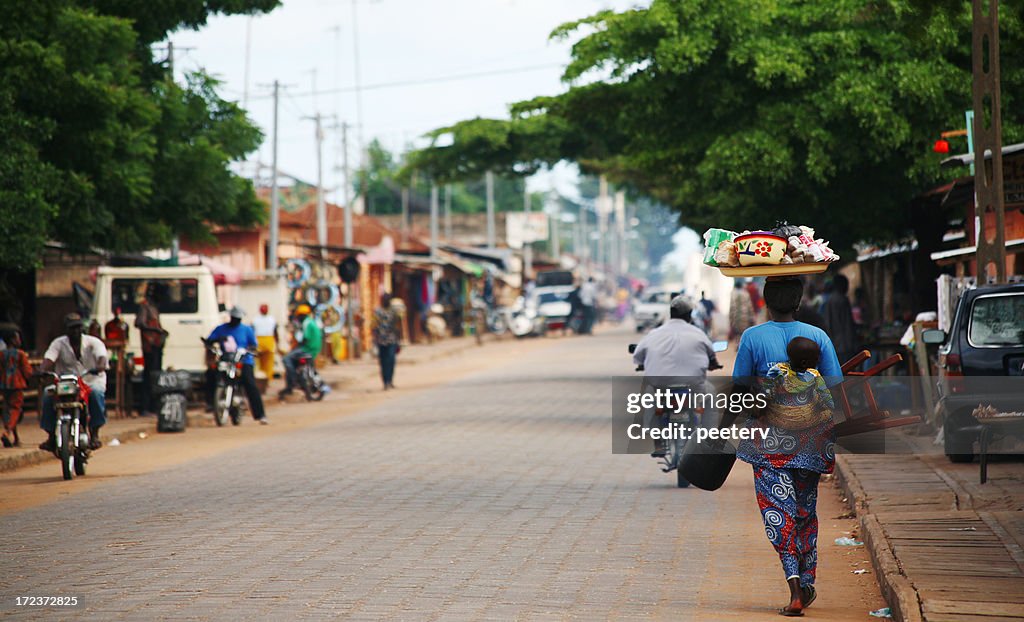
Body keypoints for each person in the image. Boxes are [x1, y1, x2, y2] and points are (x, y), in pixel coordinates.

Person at [732, 278, 843, 617]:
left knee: (778, 514)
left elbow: (739, 388)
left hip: (769, 446)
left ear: (765, 302)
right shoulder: (818, 337)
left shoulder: (753, 337)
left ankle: (795, 587)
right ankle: (807, 581)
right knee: (805, 513)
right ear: (799, 302)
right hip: (809, 444)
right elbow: (836, 387)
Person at [632, 295, 720, 457]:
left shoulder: (654, 334)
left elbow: (637, 356)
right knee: (711, 396)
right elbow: (712, 356)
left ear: (671, 313)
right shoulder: (698, 334)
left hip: (661, 386)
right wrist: (713, 363)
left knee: (649, 399)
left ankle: (658, 443)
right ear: (689, 315)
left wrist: (643, 363)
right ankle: (709, 440)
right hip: (693, 386)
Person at [39, 313, 109, 451]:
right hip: (66, 383)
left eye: (78, 327)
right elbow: (48, 360)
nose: (76, 331)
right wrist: (42, 370)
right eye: (72, 328)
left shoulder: (93, 342)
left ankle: (94, 434)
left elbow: (102, 357)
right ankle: (51, 436)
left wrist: (100, 366)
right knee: (48, 395)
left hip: (90, 381)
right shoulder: (58, 343)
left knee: (95, 394)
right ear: (66, 330)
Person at [207, 307, 268, 424]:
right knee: (211, 376)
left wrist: (248, 350)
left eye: (237, 319)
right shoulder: (221, 329)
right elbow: (210, 340)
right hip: (226, 360)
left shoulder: (246, 330)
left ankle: (260, 415)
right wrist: (214, 342)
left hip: (243, 361)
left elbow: (254, 345)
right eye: (234, 318)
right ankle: (211, 404)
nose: (235, 320)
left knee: (250, 385)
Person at [134, 284, 167, 417]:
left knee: (155, 377)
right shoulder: (145, 307)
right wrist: (155, 330)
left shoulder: (154, 308)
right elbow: (139, 323)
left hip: (156, 346)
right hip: (149, 347)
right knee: (148, 377)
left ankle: (153, 407)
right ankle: (145, 408)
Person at [279, 304, 322, 398]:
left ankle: (293, 380)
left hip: (307, 349)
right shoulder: (312, 322)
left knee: (286, 359)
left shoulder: (306, 323)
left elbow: (305, 338)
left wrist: (297, 346)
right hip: (314, 349)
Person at [0, 330, 33, 447]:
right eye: (17, 338)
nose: (19, 341)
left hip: (4, 385)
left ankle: (15, 437)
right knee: (15, 410)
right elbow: (27, 371)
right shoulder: (20, 354)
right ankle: (7, 432)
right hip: (17, 384)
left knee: (7, 408)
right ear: (13, 340)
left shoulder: (2, 354)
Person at [822, 274, 857, 367]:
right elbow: (848, 325)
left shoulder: (829, 300)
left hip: (835, 344)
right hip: (845, 344)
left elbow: (827, 323)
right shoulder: (843, 300)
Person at [372, 293, 401, 390]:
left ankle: (390, 381)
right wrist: (375, 339)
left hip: (392, 340)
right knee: (383, 362)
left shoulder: (394, 312)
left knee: (391, 360)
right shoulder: (377, 312)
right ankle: (385, 382)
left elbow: (397, 326)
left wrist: (398, 340)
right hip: (381, 341)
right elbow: (374, 326)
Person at [252, 304, 278, 382]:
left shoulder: (255, 319)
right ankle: (267, 379)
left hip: (259, 341)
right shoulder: (272, 319)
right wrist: (277, 343)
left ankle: (259, 379)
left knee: (259, 362)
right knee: (268, 363)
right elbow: (275, 332)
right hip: (268, 341)